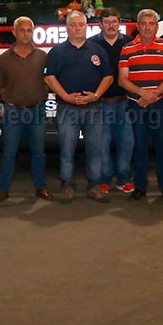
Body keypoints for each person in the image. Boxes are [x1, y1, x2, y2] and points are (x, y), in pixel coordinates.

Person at [44, 10, 113, 204]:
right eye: (73, 25)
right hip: (67, 109)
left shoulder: (97, 50)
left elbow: (108, 76)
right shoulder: (57, 51)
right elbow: (49, 77)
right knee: (66, 149)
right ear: (67, 28)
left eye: (80, 25)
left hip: (94, 108)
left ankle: (95, 186)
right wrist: (65, 96)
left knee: (95, 148)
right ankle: (67, 186)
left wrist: (96, 95)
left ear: (86, 27)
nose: (77, 28)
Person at [0, 16, 53, 203]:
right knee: (9, 152)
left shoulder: (43, 57)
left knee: (38, 152)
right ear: (14, 32)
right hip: (13, 112)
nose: (26, 34)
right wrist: (11, 98)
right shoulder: (4, 59)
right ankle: (3, 190)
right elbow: (0, 85)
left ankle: (40, 188)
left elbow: (50, 82)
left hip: (37, 111)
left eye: (29, 30)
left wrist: (40, 94)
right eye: (22, 30)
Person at [118, 9, 163, 203]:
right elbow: (123, 80)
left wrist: (153, 95)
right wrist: (142, 94)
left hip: (159, 105)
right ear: (138, 26)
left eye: (151, 24)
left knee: (161, 146)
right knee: (139, 146)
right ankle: (140, 186)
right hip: (137, 105)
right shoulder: (127, 49)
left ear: (157, 26)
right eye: (143, 23)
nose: (147, 27)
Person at [88, 7, 135, 194]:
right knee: (102, 143)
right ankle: (105, 179)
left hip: (125, 101)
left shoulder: (131, 43)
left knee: (127, 142)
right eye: (106, 22)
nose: (111, 26)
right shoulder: (92, 45)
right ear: (100, 25)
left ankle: (124, 178)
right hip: (101, 103)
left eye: (114, 21)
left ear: (119, 23)